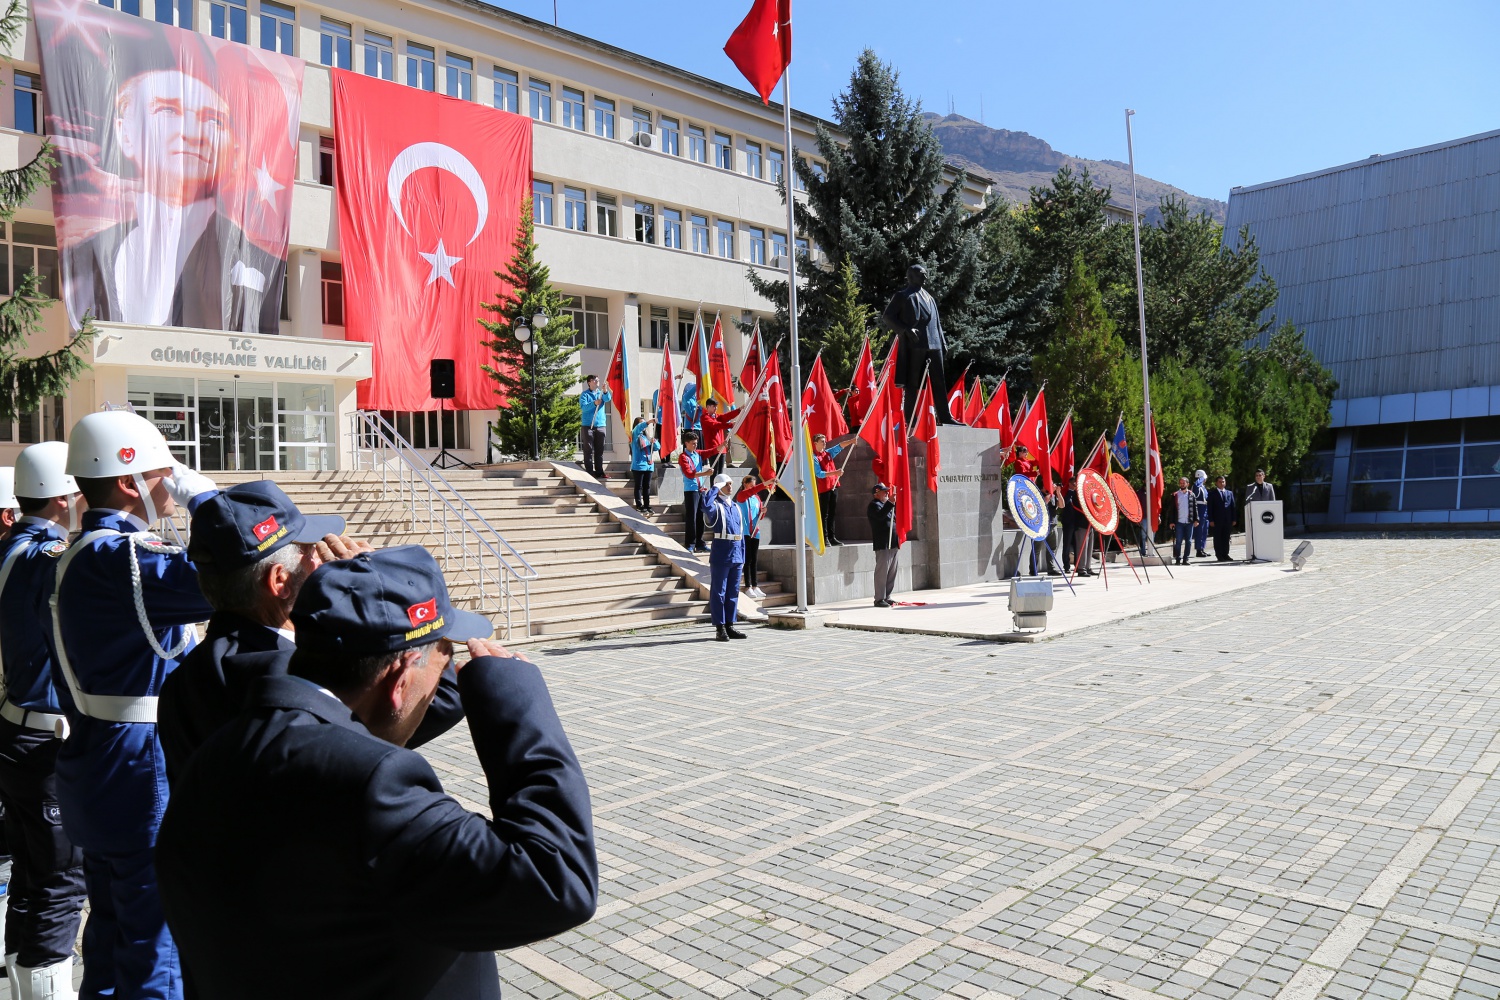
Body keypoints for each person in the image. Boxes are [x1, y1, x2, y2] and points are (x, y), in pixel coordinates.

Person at [155, 547, 597, 1000]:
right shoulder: (374, 782)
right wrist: (516, 707)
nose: (443, 680)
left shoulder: (218, 749)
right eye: (444, 658)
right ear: (400, 678)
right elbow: (555, 882)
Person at [50, 410, 221, 1000]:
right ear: (129, 482)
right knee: (154, 939)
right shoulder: (119, 555)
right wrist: (212, 506)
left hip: (99, 758)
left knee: (113, 930)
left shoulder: (86, 551)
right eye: (163, 475)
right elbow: (217, 576)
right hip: (136, 763)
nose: (171, 488)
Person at [62, 62, 284, 334]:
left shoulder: (263, 265)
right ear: (124, 133)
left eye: (213, 120)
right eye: (167, 111)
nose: (191, 134)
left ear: (235, 152)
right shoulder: (86, 255)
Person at [0, 443, 86, 997]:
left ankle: (19, 981)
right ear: (60, 497)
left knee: (32, 877)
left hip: (16, 728)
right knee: (59, 883)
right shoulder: (46, 555)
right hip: (44, 737)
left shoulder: (12, 545)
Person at [879, 264, 952, 424]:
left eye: (925, 274)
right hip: (916, 345)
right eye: (921, 274)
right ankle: (911, 419)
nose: (925, 277)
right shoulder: (903, 296)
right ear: (911, 276)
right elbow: (888, 316)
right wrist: (905, 330)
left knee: (939, 382)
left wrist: (943, 342)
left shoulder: (930, 297)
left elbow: (937, 323)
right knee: (912, 383)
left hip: (934, 344)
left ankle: (946, 417)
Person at [701, 475, 746, 641]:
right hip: (721, 551)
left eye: (730, 484)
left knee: (732, 592)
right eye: (726, 484)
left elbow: (741, 533)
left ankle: (730, 625)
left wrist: (742, 555)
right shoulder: (715, 505)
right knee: (718, 592)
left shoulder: (735, 506)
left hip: (737, 552)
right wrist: (714, 488)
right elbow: (705, 506)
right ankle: (720, 628)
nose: (730, 487)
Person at [734, 473, 771, 599]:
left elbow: (759, 516)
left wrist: (763, 512)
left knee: (754, 560)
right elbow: (750, 492)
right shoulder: (741, 496)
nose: (753, 488)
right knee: (747, 560)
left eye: (754, 486)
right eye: (751, 485)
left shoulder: (757, 498)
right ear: (745, 484)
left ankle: (755, 585)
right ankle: (747, 586)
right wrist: (765, 483)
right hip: (744, 532)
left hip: (755, 532)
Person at [677, 431, 711, 551]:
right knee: (692, 518)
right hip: (691, 490)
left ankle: (700, 543)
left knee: (700, 517)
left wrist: (720, 447)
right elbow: (689, 474)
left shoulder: (697, 454)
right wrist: (705, 473)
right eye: (693, 443)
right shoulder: (683, 457)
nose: (695, 445)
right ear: (686, 443)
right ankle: (690, 544)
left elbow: (709, 452)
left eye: (696, 443)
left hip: (700, 489)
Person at [867, 483, 900, 607]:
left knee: (892, 571)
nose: (887, 493)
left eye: (887, 491)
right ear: (876, 493)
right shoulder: (874, 505)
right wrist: (890, 503)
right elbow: (880, 517)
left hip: (893, 542)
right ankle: (879, 598)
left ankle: (887, 596)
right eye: (884, 491)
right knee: (882, 571)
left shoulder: (886, 505)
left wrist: (891, 504)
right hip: (883, 543)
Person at [811, 433, 843, 545]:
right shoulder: (814, 457)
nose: (824, 443)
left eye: (825, 441)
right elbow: (819, 474)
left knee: (832, 513)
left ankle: (832, 537)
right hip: (824, 489)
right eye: (822, 441)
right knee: (824, 514)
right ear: (815, 443)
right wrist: (835, 473)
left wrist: (852, 441)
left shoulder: (828, 453)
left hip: (834, 486)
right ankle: (824, 538)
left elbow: (839, 446)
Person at [578, 375, 611, 480]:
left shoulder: (600, 393)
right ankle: (589, 471)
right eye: (595, 380)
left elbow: (608, 398)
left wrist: (605, 391)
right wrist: (594, 403)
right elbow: (584, 407)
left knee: (599, 450)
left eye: (598, 380)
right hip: (588, 425)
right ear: (589, 382)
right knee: (588, 449)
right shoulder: (585, 395)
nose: (597, 381)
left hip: (600, 425)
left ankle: (599, 471)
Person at [697, 398, 740, 475]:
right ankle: (713, 487)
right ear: (708, 407)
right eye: (714, 406)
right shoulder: (704, 418)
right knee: (714, 473)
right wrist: (730, 425)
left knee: (720, 474)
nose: (716, 408)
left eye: (716, 406)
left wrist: (739, 410)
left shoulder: (717, 417)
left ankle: (719, 487)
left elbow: (727, 416)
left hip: (722, 449)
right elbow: (715, 425)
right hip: (713, 449)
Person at [1065, 475, 1095, 576]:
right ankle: (1081, 569)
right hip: (1081, 523)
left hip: (1089, 523)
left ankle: (1088, 567)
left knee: (1089, 547)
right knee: (1082, 547)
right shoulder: (1076, 494)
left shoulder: (1087, 494)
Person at [629, 416, 660, 514]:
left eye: (644, 424)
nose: (643, 426)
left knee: (647, 487)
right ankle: (639, 505)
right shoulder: (635, 435)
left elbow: (657, 447)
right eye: (641, 423)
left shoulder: (646, 437)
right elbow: (638, 428)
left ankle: (647, 505)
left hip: (648, 465)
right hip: (638, 465)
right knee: (639, 486)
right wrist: (649, 421)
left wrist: (654, 442)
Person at [1207, 474, 1236, 561]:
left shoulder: (1229, 493)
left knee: (1226, 537)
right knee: (1218, 538)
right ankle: (1219, 555)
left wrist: (1234, 518)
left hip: (1227, 519)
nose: (1221, 483)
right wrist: (1211, 519)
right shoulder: (1212, 494)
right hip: (1217, 520)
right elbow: (1210, 508)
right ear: (1216, 483)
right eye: (1219, 482)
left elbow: (1233, 506)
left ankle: (1225, 554)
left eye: (1223, 481)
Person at [1170, 476, 1198, 566]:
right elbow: (1172, 509)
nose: (1182, 484)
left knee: (1189, 541)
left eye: (1184, 483)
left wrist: (1196, 519)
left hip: (1189, 522)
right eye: (1181, 483)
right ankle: (1178, 559)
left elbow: (1195, 508)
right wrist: (1171, 522)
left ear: (1187, 484)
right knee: (1178, 541)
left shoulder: (1191, 494)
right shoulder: (1175, 495)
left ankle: (1186, 559)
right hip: (1179, 522)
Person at [1192, 470, 1210, 558]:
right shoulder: (1197, 486)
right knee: (1199, 530)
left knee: (1204, 530)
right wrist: (1201, 478)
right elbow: (1196, 486)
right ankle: (1198, 550)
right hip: (1199, 509)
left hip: (1205, 509)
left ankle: (1202, 548)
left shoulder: (1203, 487)